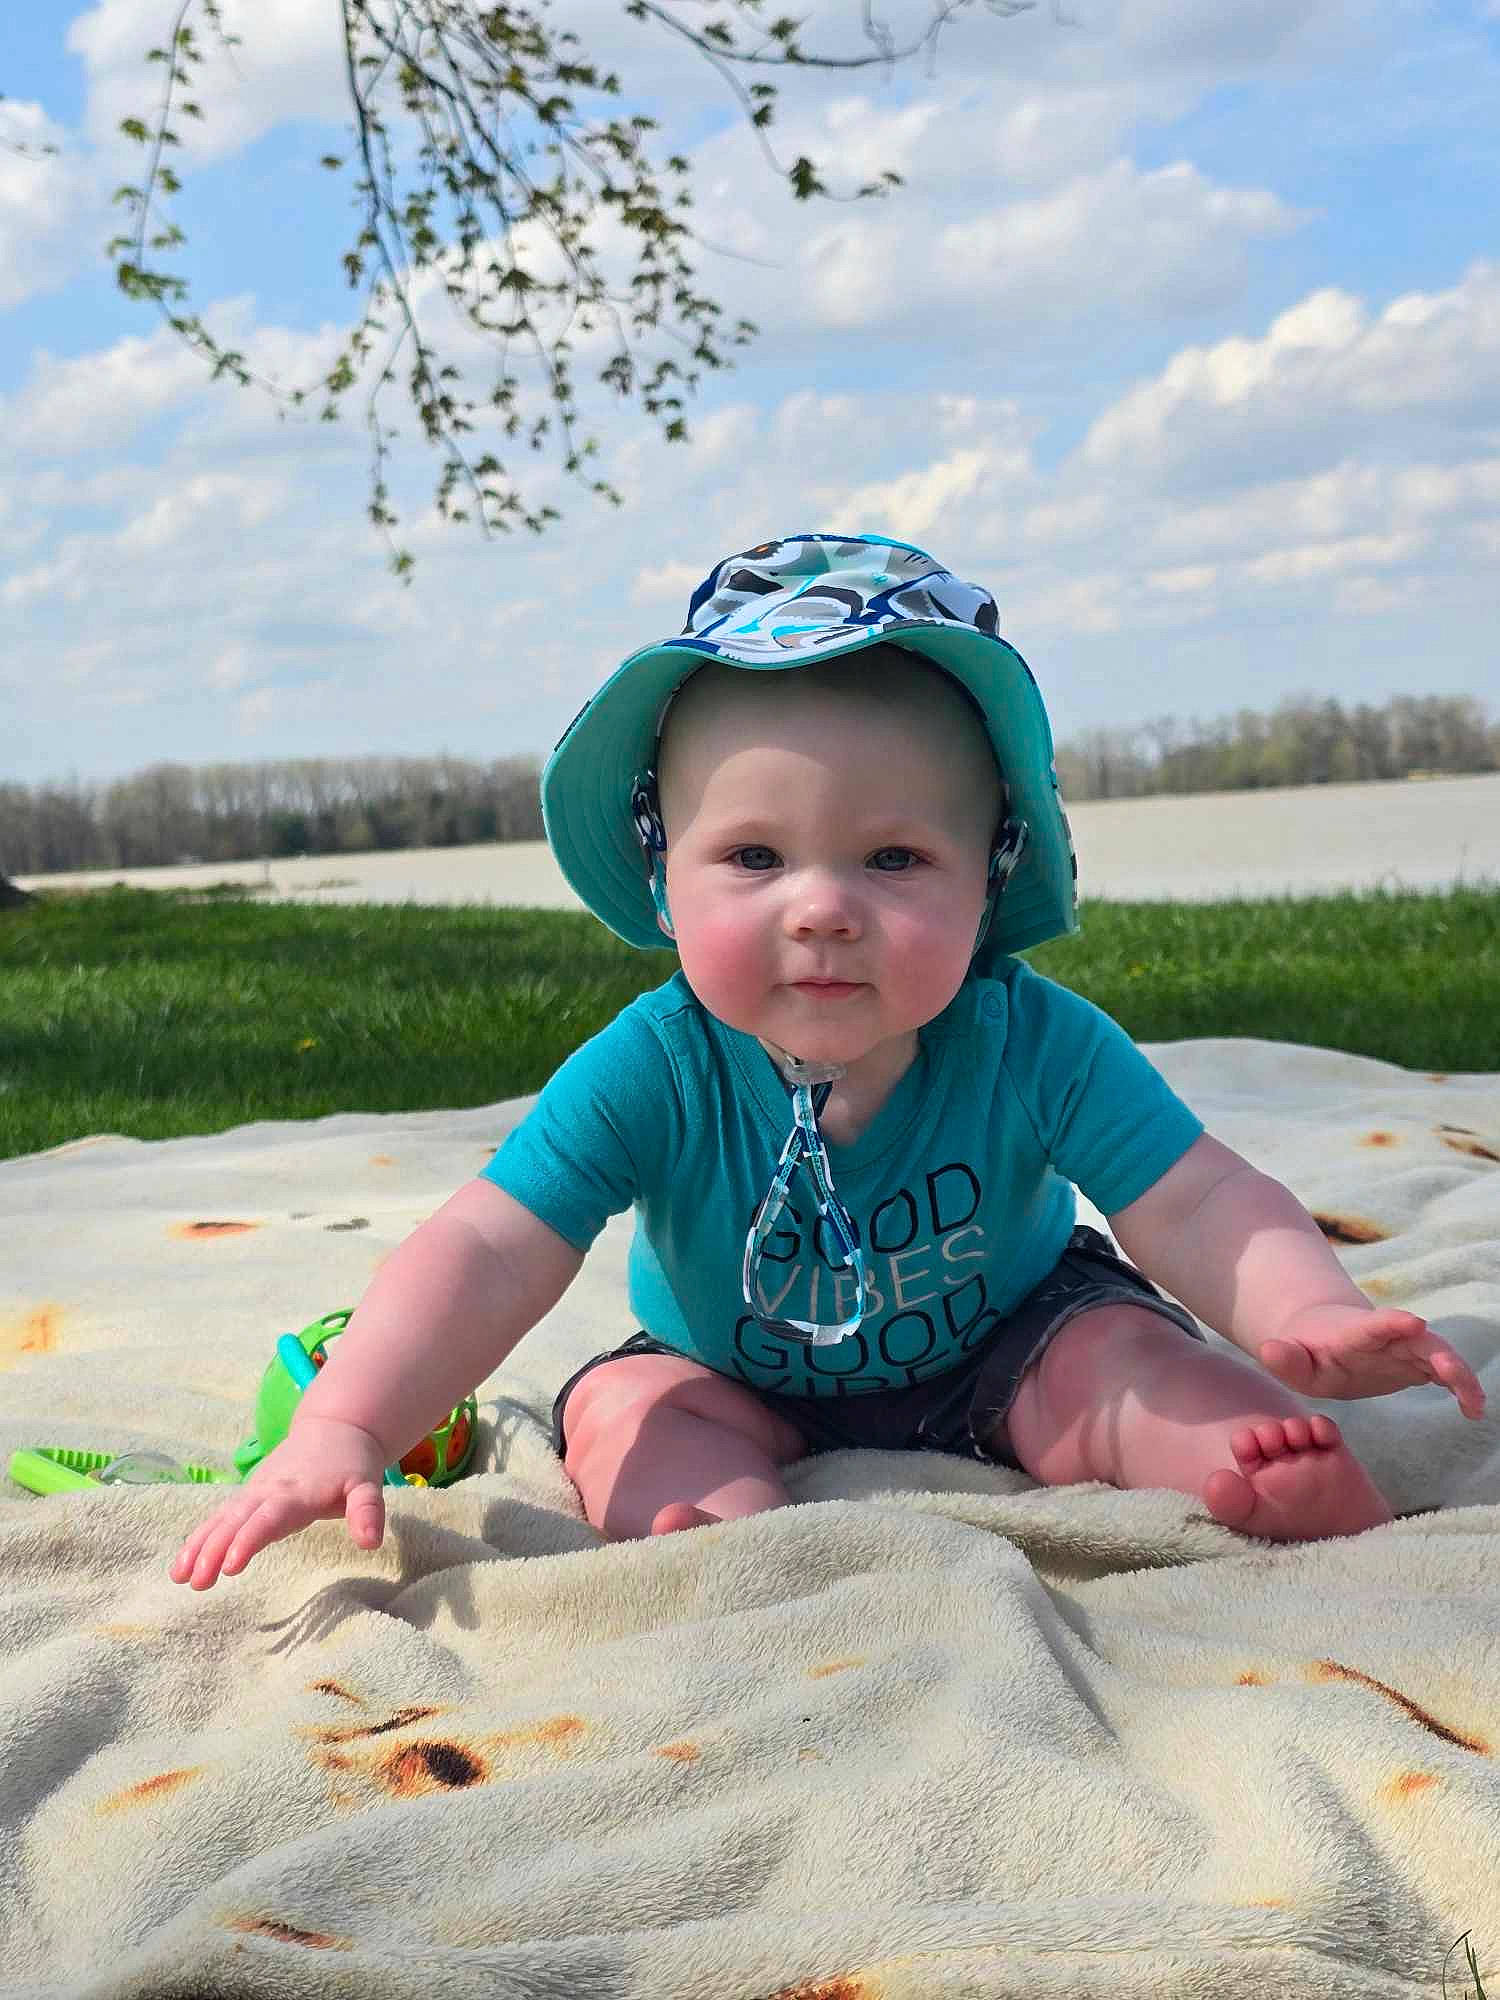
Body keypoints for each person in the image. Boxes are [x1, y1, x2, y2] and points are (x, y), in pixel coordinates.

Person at [171, 532, 1485, 1589]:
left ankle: (1248, 1474)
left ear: (990, 879)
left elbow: (1195, 1200)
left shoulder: (1034, 1042)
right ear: (663, 879)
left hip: (1013, 1335)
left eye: (895, 858)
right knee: (634, 1414)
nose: (821, 908)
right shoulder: (657, 1064)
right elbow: (488, 1246)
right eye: (753, 857)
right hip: (731, 1364)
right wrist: (347, 1425)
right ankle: (735, 1555)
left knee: (1142, 1369)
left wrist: (1298, 1313)